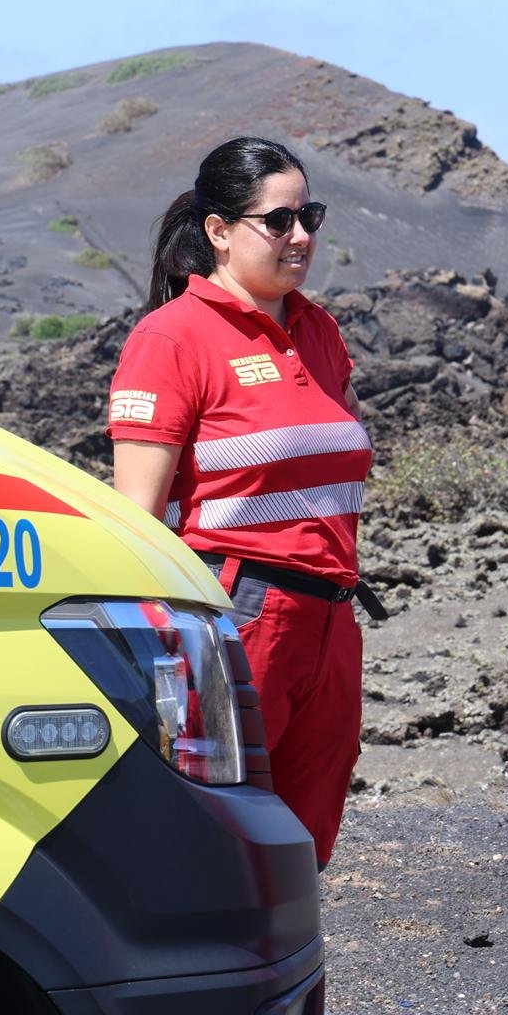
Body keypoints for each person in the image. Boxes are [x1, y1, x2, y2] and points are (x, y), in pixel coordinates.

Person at [107, 135, 375, 868]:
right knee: (214, 840)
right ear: (219, 232)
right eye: (279, 221)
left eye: (309, 217)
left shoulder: (318, 331)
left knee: (303, 845)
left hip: (331, 616)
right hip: (238, 614)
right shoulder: (171, 339)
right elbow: (135, 521)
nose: (301, 236)